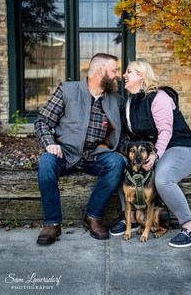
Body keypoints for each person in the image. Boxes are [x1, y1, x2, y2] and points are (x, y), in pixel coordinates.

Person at [34, 53, 126, 245]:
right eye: (115, 70)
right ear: (100, 71)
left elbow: (123, 135)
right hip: (64, 152)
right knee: (45, 162)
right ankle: (52, 223)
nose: (118, 74)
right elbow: (42, 121)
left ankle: (93, 216)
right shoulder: (67, 90)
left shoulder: (116, 100)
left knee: (117, 163)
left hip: (95, 155)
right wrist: (49, 143)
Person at [109, 61, 191, 248]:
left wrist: (155, 156)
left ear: (141, 76)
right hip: (156, 150)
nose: (124, 76)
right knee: (120, 166)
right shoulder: (129, 103)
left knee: (162, 179)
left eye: (129, 72)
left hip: (180, 147)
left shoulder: (158, 97)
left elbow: (166, 131)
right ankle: (134, 219)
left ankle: (190, 228)